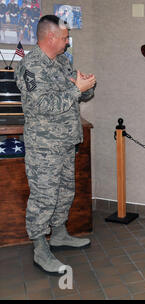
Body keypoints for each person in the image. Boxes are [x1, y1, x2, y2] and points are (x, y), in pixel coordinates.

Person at [15, 15, 96, 274]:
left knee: (64, 192)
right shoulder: (31, 66)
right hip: (44, 147)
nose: (67, 42)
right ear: (50, 37)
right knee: (44, 197)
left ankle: (59, 234)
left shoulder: (61, 62)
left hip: (65, 141)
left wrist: (87, 85)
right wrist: (76, 90)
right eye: (64, 38)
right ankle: (40, 246)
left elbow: (78, 91)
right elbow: (44, 106)